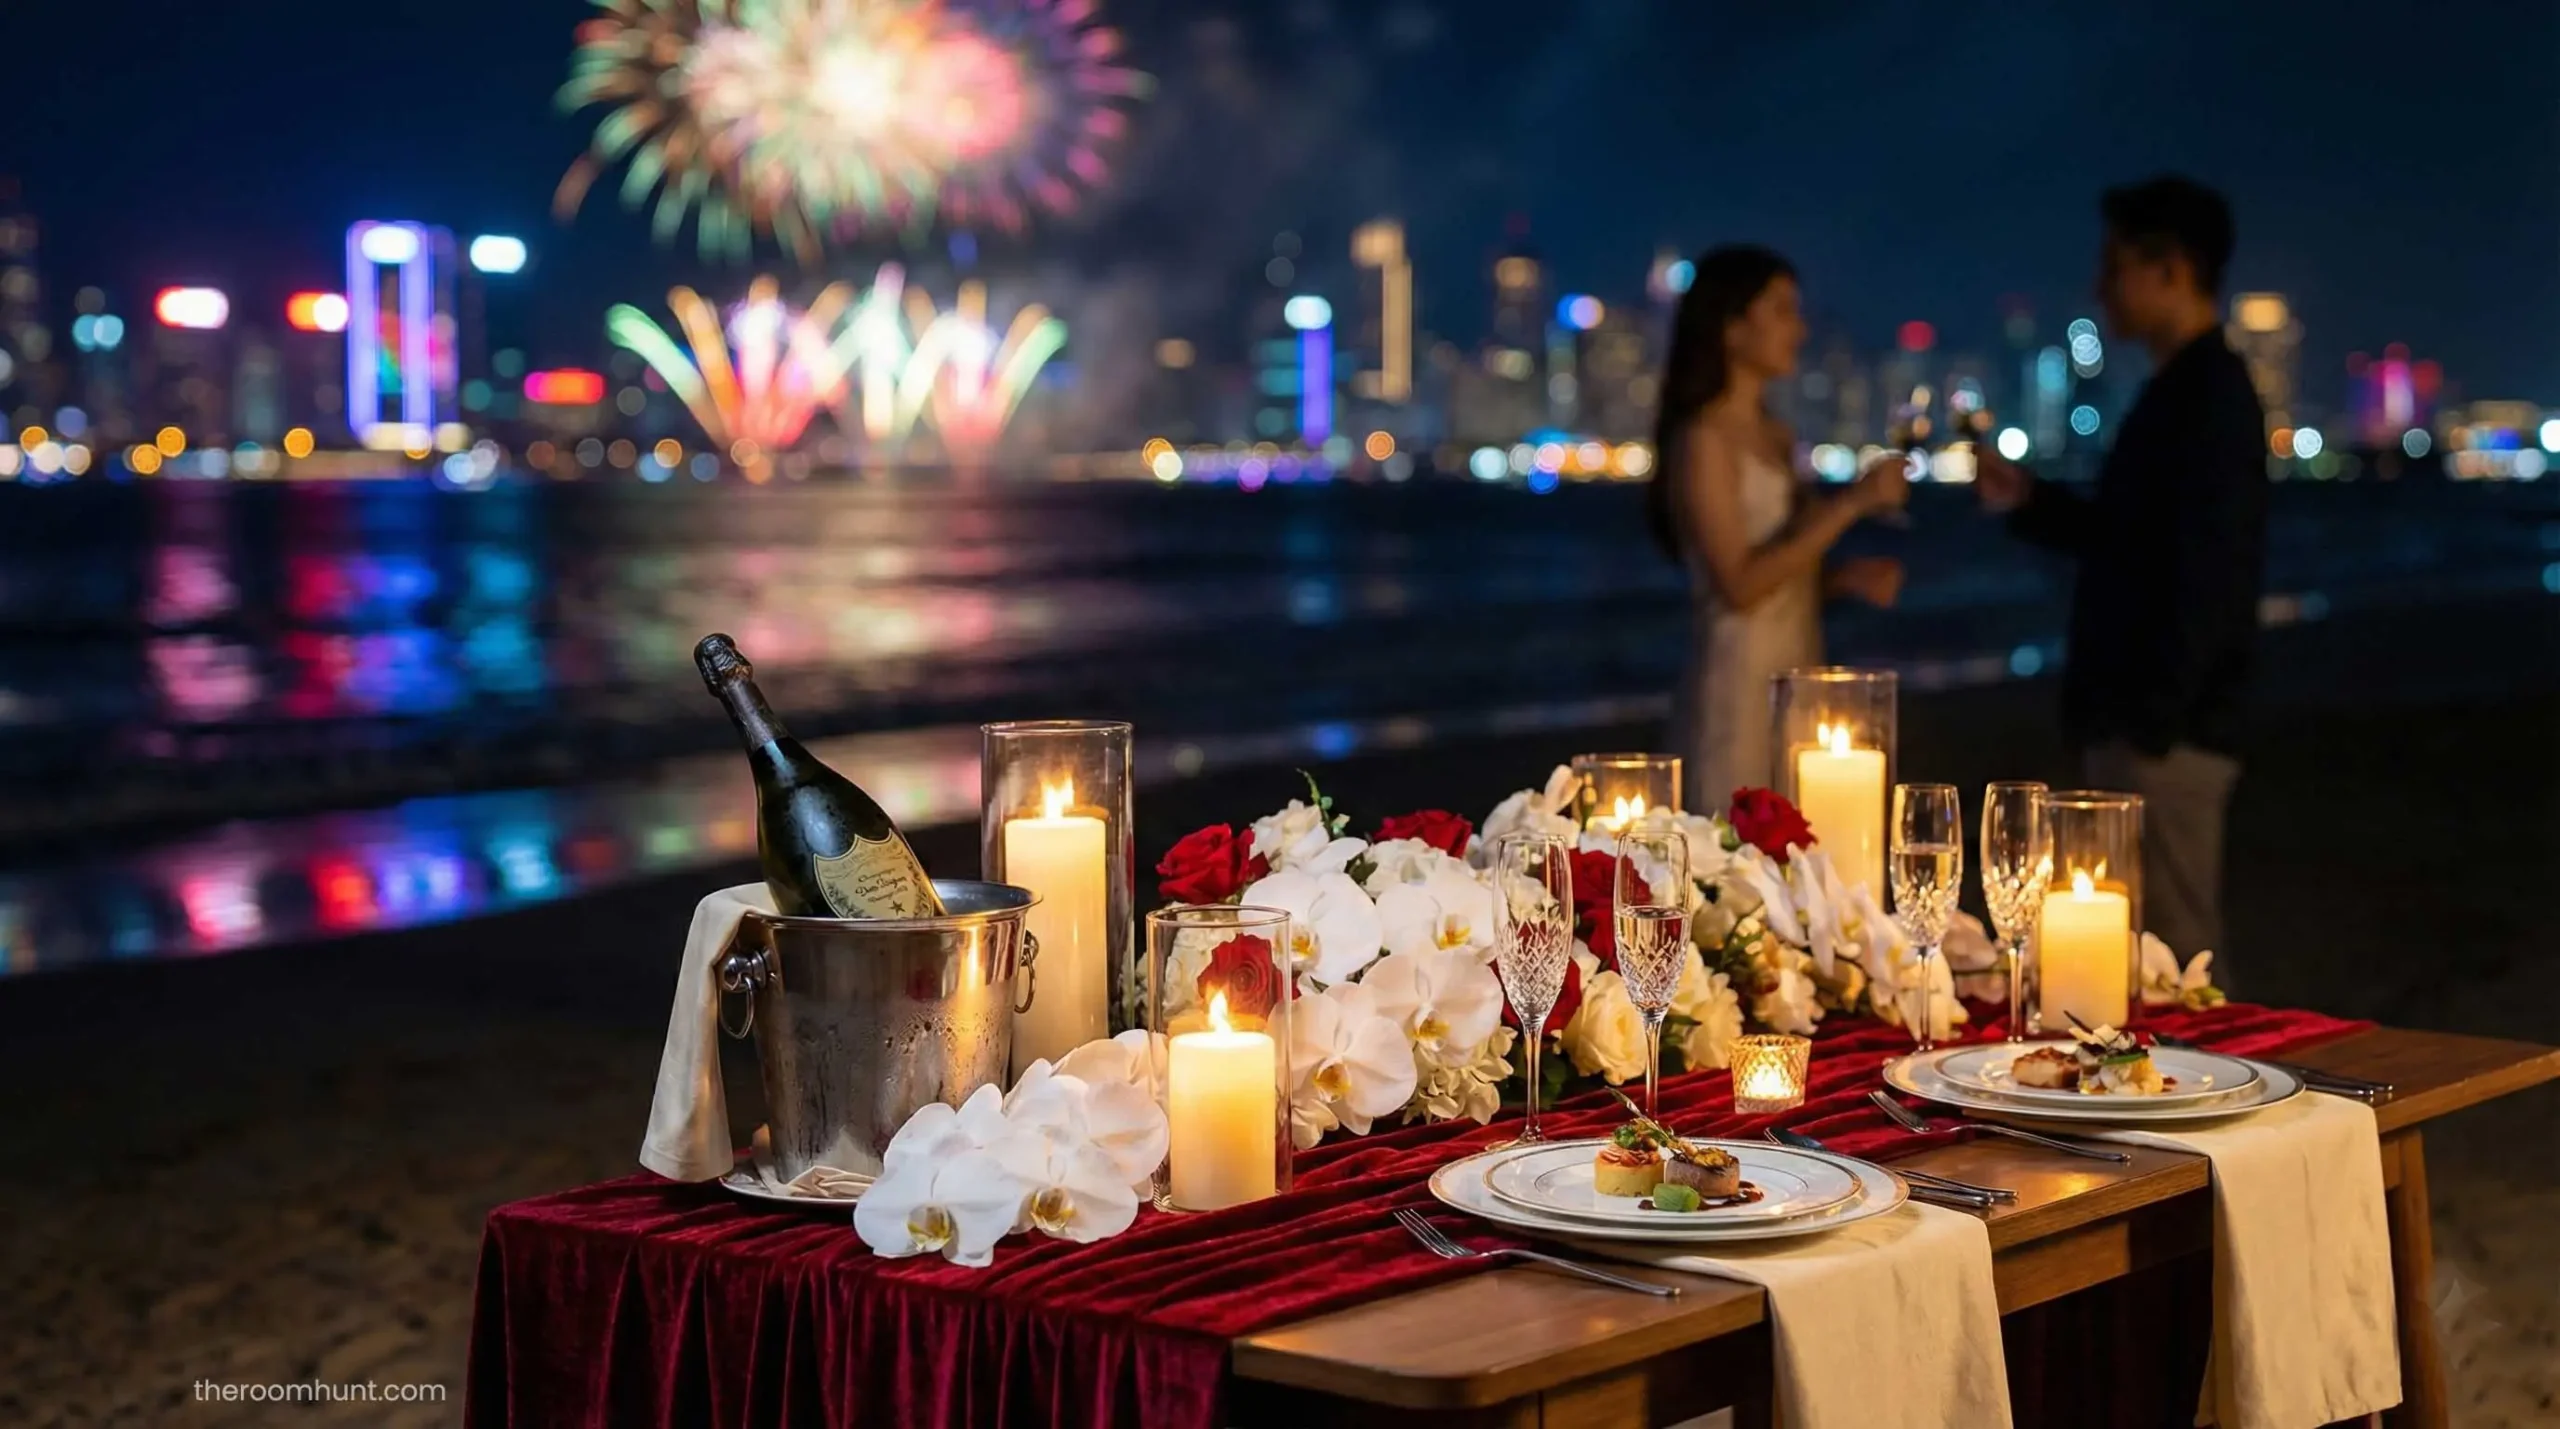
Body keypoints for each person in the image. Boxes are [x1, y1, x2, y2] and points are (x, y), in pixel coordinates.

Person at [1975, 175, 2268, 968]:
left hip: (2167, 732)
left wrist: (2154, 721)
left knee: (2174, 957)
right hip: (2152, 721)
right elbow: (2133, 540)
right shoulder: (2183, 389)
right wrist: (2031, 501)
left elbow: (2209, 568)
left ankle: (2213, 1094)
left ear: (2170, 268)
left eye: (2115, 267)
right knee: (2144, 953)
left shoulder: (2208, 397)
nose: (2101, 287)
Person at [1650, 246, 1909, 813]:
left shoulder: (1776, 435)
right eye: (1783, 310)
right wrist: (1853, 504)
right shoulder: (1703, 440)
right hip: (1739, 689)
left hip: (1799, 678)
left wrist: (1840, 580)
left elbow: (1784, 569)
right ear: (1733, 328)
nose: (1800, 327)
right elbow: (1738, 585)